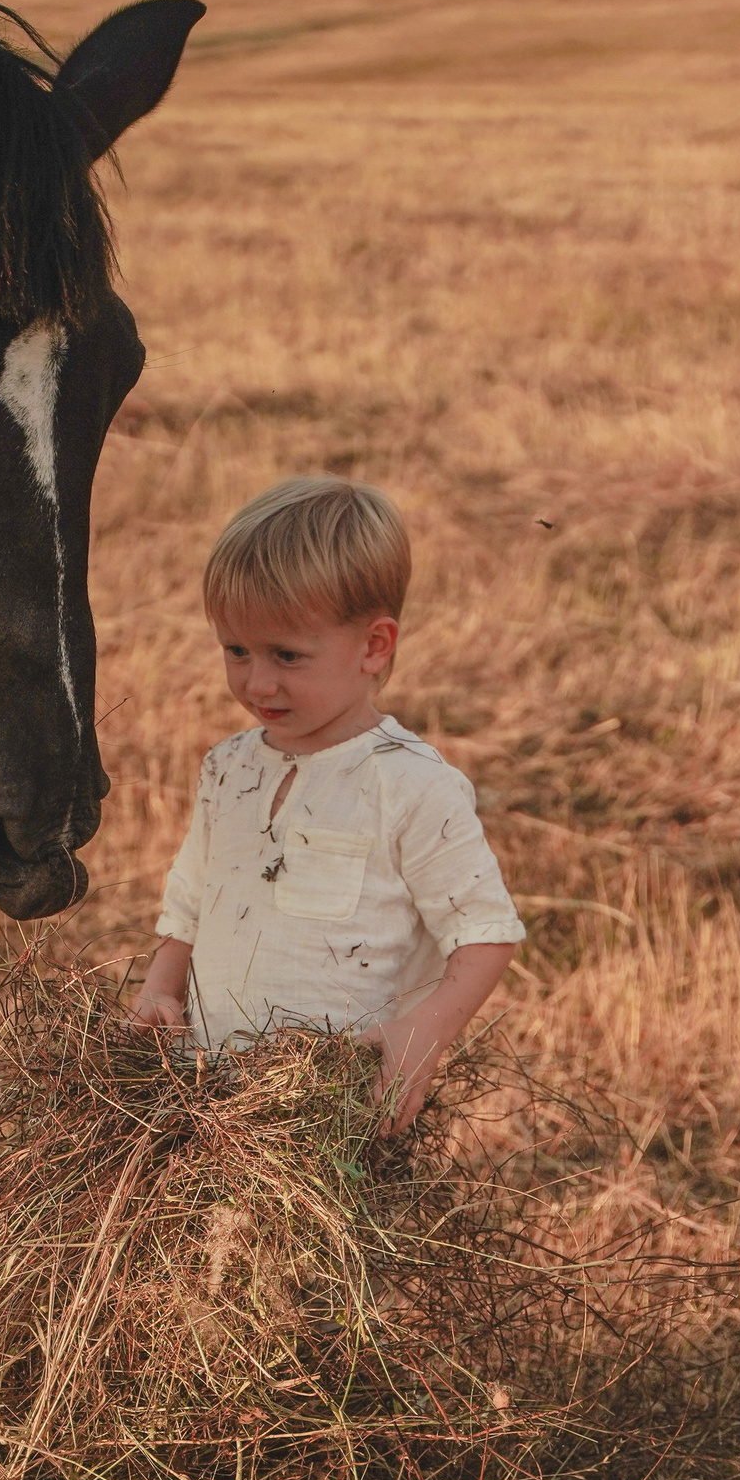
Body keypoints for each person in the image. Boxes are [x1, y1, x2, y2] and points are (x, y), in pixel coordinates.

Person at [128, 476, 524, 1133]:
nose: (257, 682)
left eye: (286, 655)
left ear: (374, 646)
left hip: (337, 1119)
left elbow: (487, 934)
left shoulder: (410, 783)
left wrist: (421, 1032)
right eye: (236, 650)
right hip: (210, 1102)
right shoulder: (227, 768)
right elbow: (191, 898)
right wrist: (161, 986)